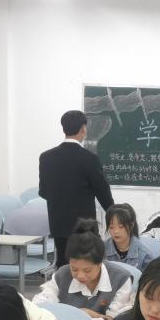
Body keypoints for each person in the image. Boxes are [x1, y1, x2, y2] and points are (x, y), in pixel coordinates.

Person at [38, 110, 114, 267]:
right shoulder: (90, 159)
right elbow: (103, 193)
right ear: (83, 129)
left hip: (58, 225)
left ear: (63, 128)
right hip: (84, 228)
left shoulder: (46, 157)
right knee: (86, 268)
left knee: (64, 267)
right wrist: (113, 213)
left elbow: (43, 191)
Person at [32, 219, 135, 320]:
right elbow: (40, 304)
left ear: (100, 263)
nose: (80, 275)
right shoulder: (62, 275)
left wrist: (90, 316)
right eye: (74, 269)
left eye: (87, 270)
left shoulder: (120, 279)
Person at [104, 204, 155, 271]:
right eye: (111, 227)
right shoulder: (101, 249)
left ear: (131, 226)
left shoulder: (145, 255)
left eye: (121, 227)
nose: (116, 231)